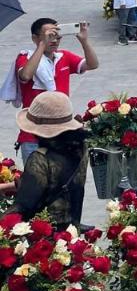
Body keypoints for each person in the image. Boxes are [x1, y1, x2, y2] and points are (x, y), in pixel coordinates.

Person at [0, 18, 98, 165]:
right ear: (35, 38)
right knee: (36, 182)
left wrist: (84, 41)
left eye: (57, 37)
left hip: (62, 134)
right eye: (49, 36)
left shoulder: (64, 57)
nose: (54, 41)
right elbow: (25, 76)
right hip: (33, 136)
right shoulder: (25, 57)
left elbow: (93, 64)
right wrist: (41, 46)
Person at [11, 91, 86, 227]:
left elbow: (24, 206)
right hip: (72, 228)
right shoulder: (80, 146)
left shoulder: (40, 159)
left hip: (44, 236)